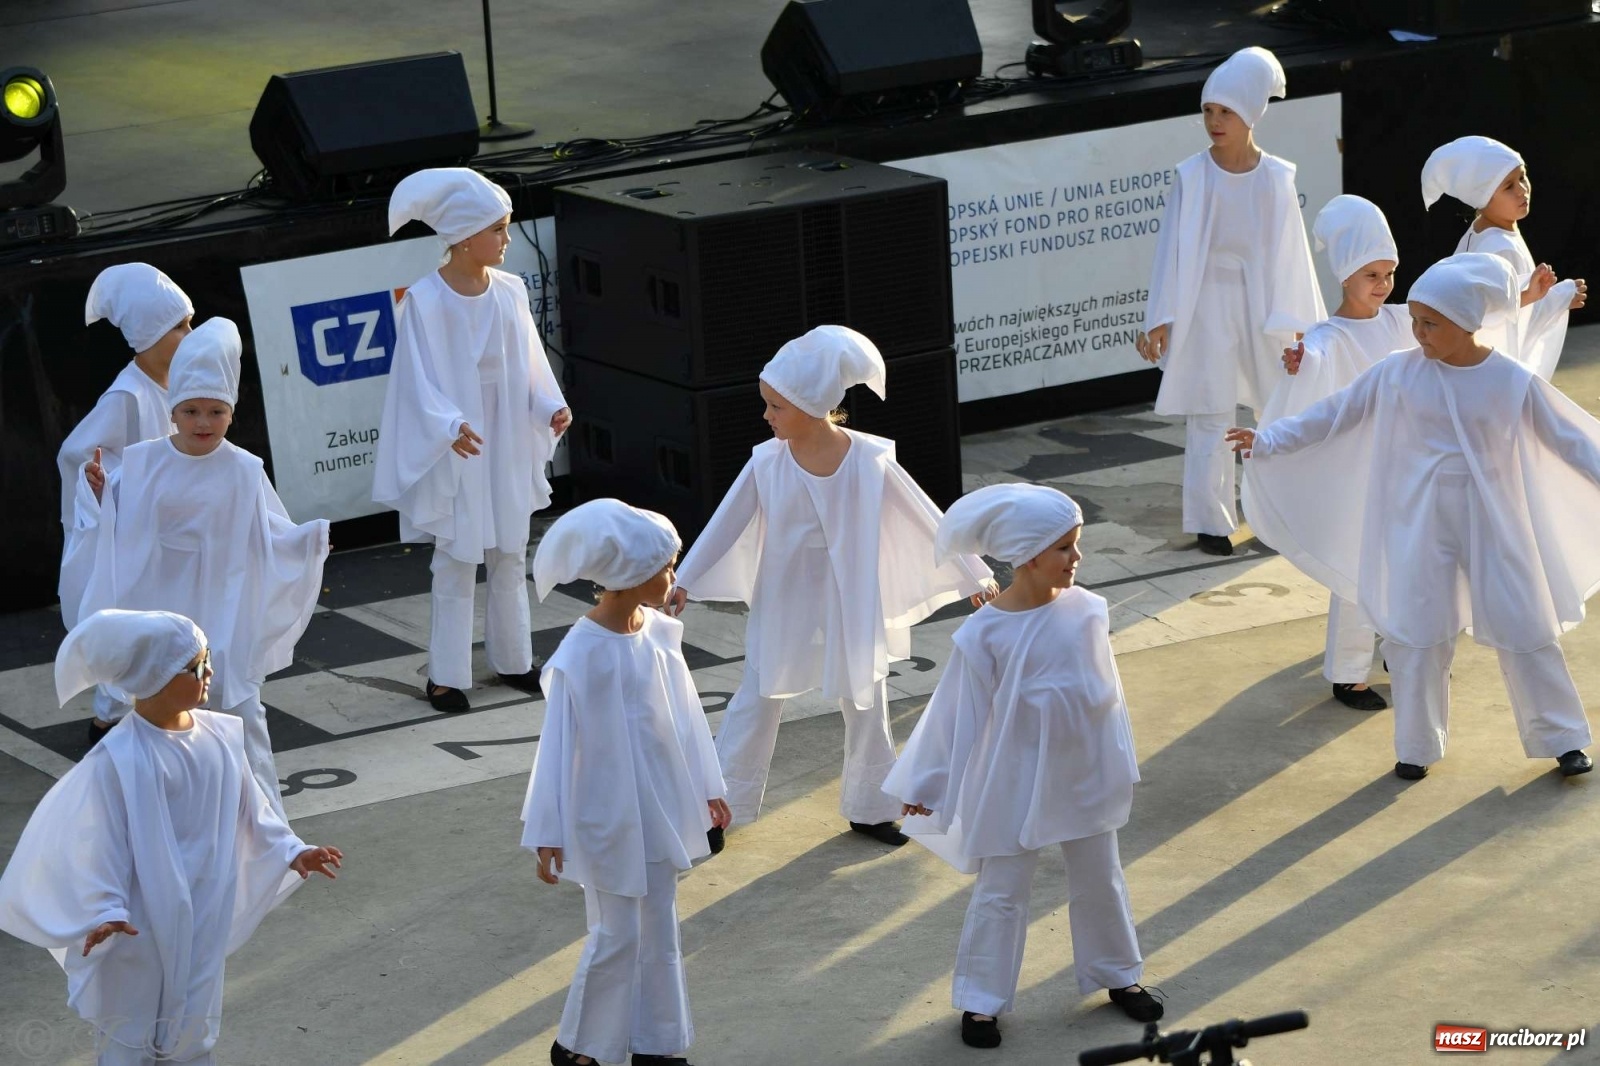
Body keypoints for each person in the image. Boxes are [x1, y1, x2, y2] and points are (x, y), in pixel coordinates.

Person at [1230, 253, 1597, 781]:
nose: (1418, 332)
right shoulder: (1397, 372)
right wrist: (1268, 439)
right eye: (1416, 321)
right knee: (1418, 635)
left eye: (1431, 324)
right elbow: (1333, 415)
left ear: (1467, 322)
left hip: (1496, 523)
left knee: (1525, 623)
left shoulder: (1510, 380)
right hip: (1419, 525)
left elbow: (1570, 440)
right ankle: (1417, 745)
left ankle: (1562, 738)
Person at [666, 325, 995, 849]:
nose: (766, 415)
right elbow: (726, 521)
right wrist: (684, 578)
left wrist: (974, 572)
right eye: (767, 405)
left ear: (812, 406)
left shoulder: (869, 460)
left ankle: (871, 807)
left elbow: (924, 514)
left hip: (853, 600)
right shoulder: (767, 461)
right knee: (757, 695)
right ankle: (717, 809)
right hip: (784, 597)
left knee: (867, 698)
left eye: (776, 406)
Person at [0, 609, 343, 1066]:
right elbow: (98, 842)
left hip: (203, 910)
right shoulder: (120, 758)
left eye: (208, 660)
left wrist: (292, 850)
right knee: (132, 1019)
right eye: (196, 667)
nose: (209, 673)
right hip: (139, 917)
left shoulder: (221, 738)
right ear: (155, 676)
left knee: (194, 1021)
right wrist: (104, 907)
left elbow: (253, 810)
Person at [882, 484, 1158, 1049]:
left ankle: (1118, 973)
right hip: (1012, 775)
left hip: (1082, 771)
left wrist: (1119, 761)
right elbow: (954, 713)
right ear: (1029, 555)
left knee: (1100, 876)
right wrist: (927, 784)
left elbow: (1109, 695)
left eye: (1075, 544)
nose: (1077, 557)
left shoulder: (1088, 610)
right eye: (1065, 547)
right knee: (1002, 888)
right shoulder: (985, 631)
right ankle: (981, 1000)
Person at [61, 318, 330, 820]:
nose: (203, 422)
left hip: (222, 611)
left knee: (240, 715)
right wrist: (98, 493)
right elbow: (111, 520)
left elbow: (270, 531)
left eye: (215, 411)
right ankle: (165, 824)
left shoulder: (244, 468)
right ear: (173, 412)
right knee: (160, 720)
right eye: (191, 411)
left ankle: (269, 831)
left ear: (231, 413)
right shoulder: (142, 462)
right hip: (161, 606)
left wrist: (309, 540)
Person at [522, 499, 729, 1066]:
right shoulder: (580, 654)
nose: (673, 576)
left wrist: (709, 786)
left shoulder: (658, 632)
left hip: (659, 806)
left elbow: (685, 714)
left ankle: (657, 1039)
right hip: (605, 815)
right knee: (617, 934)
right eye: (667, 566)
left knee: (658, 924)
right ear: (630, 574)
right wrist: (547, 829)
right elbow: (556, 747)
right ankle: (579, 1045)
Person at [373, 167, 571, 713]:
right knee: (457, 558)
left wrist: (550, 406)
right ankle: (445, 675)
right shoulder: (425, 301)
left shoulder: (509, 291)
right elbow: (414, 380)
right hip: (460, 442)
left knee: (508, 551)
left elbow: (531, 363)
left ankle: (514, 659)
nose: (507, 239)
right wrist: (446, 426)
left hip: (504, 437)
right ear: (463, 237)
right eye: (497, 229)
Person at [1136, 45, 1324, 557]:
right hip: (1206, 306)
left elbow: (1292, 253)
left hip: (1264, 304)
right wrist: (1162, 317)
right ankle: (1211, 522)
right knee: (1210, 411)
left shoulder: (1276, 176)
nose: (1215, 121)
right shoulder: (1192, 175)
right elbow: (1171, 251)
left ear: (1252, 115)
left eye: (1227, 111)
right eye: (1209, 111)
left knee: (1275, 406)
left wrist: (1303, 326)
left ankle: (1277, 512)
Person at [1248, 195, 1411, 712]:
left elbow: (1453, 321)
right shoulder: (1328, 335)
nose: (1383, 284)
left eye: (1389, 273)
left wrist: (1526, 298)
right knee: (1357, 566)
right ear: (1345, 276)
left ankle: (1403, 651)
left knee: (1408, 561)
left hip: (1404, 463)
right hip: (1357, 468)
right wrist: (1300, 359)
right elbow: (1313, 356)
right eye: (1371, 275)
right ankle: (1348, 673)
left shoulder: (1399, 321)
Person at [59, 263, 194, 741]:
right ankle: (109, 721)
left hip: (168, 531)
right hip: (134, 534)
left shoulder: (179, 385)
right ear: (147, 334)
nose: (190, 334)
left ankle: (152, 710)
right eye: (179, 326)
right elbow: (76, 453)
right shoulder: (128, 395)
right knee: (132, 619)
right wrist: (109, 485)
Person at [1421, 135, 1587, 381]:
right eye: (1508, 186)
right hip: (1494, 374)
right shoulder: (1501, 249)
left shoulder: (1479, 231)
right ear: (1483, 197)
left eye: (1522, 177)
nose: (1522, 189)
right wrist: (1561, 297)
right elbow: (1504, 316)